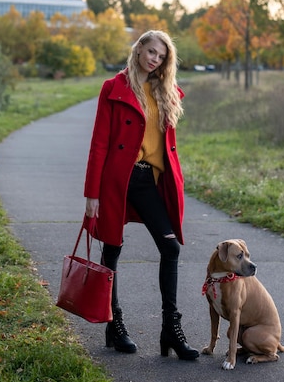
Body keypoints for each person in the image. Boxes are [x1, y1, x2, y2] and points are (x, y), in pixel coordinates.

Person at [84, 29, 199, 360]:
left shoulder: (164, 92)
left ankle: (170, 330)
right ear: (138, 51)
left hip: (150, 181)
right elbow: (100, 143)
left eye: (161, 56)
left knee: (170, 247)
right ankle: (114, 323)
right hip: (117, 180)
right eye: (151, 52)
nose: (155, 59)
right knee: (113, 248)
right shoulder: (114, 88)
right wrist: (92, 193)